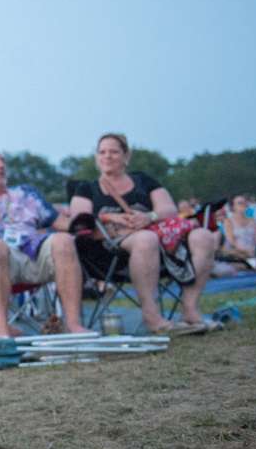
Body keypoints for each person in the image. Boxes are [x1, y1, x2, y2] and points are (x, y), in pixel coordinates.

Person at [69, 133, 219, 333]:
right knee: (146, 239)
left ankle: (190, 309)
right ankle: (152, 316)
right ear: (96, 157)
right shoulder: (87, 188)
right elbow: (80, 221)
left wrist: (149, 216)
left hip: (160, 242)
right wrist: (110, 218)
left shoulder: (143, 180)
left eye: (114, 151)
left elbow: (169, 210)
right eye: (102, 152)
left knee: (204, 236)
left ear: (126, 156)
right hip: (108, 253)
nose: (107, 156)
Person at [0, 148, 88, 338]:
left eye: (2, 160)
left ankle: (73, 325)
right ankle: (2, 331)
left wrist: (95, 222)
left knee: (63, 240)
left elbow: (61, 224)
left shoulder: (26, 194)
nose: (1, 165)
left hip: (33, 256)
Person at [213, 195, 256, 277]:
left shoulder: (253, 221)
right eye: (240, 203)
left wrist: (254, 250)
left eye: (245, 202)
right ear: (233, 207)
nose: (243, 204)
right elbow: (232, 241)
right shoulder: (229, 222)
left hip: (252, 251)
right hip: (237, 253)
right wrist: (246, 251)